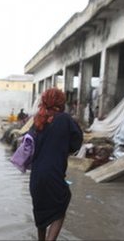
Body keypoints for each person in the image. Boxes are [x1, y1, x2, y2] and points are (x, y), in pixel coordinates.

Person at [29, 88, 83, 240]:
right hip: (53, 174)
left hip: (36, 177)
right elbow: (76, 144)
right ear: (61, 102)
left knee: (40, 213)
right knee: (61, 205)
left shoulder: (38, 120)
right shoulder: (65, 119)